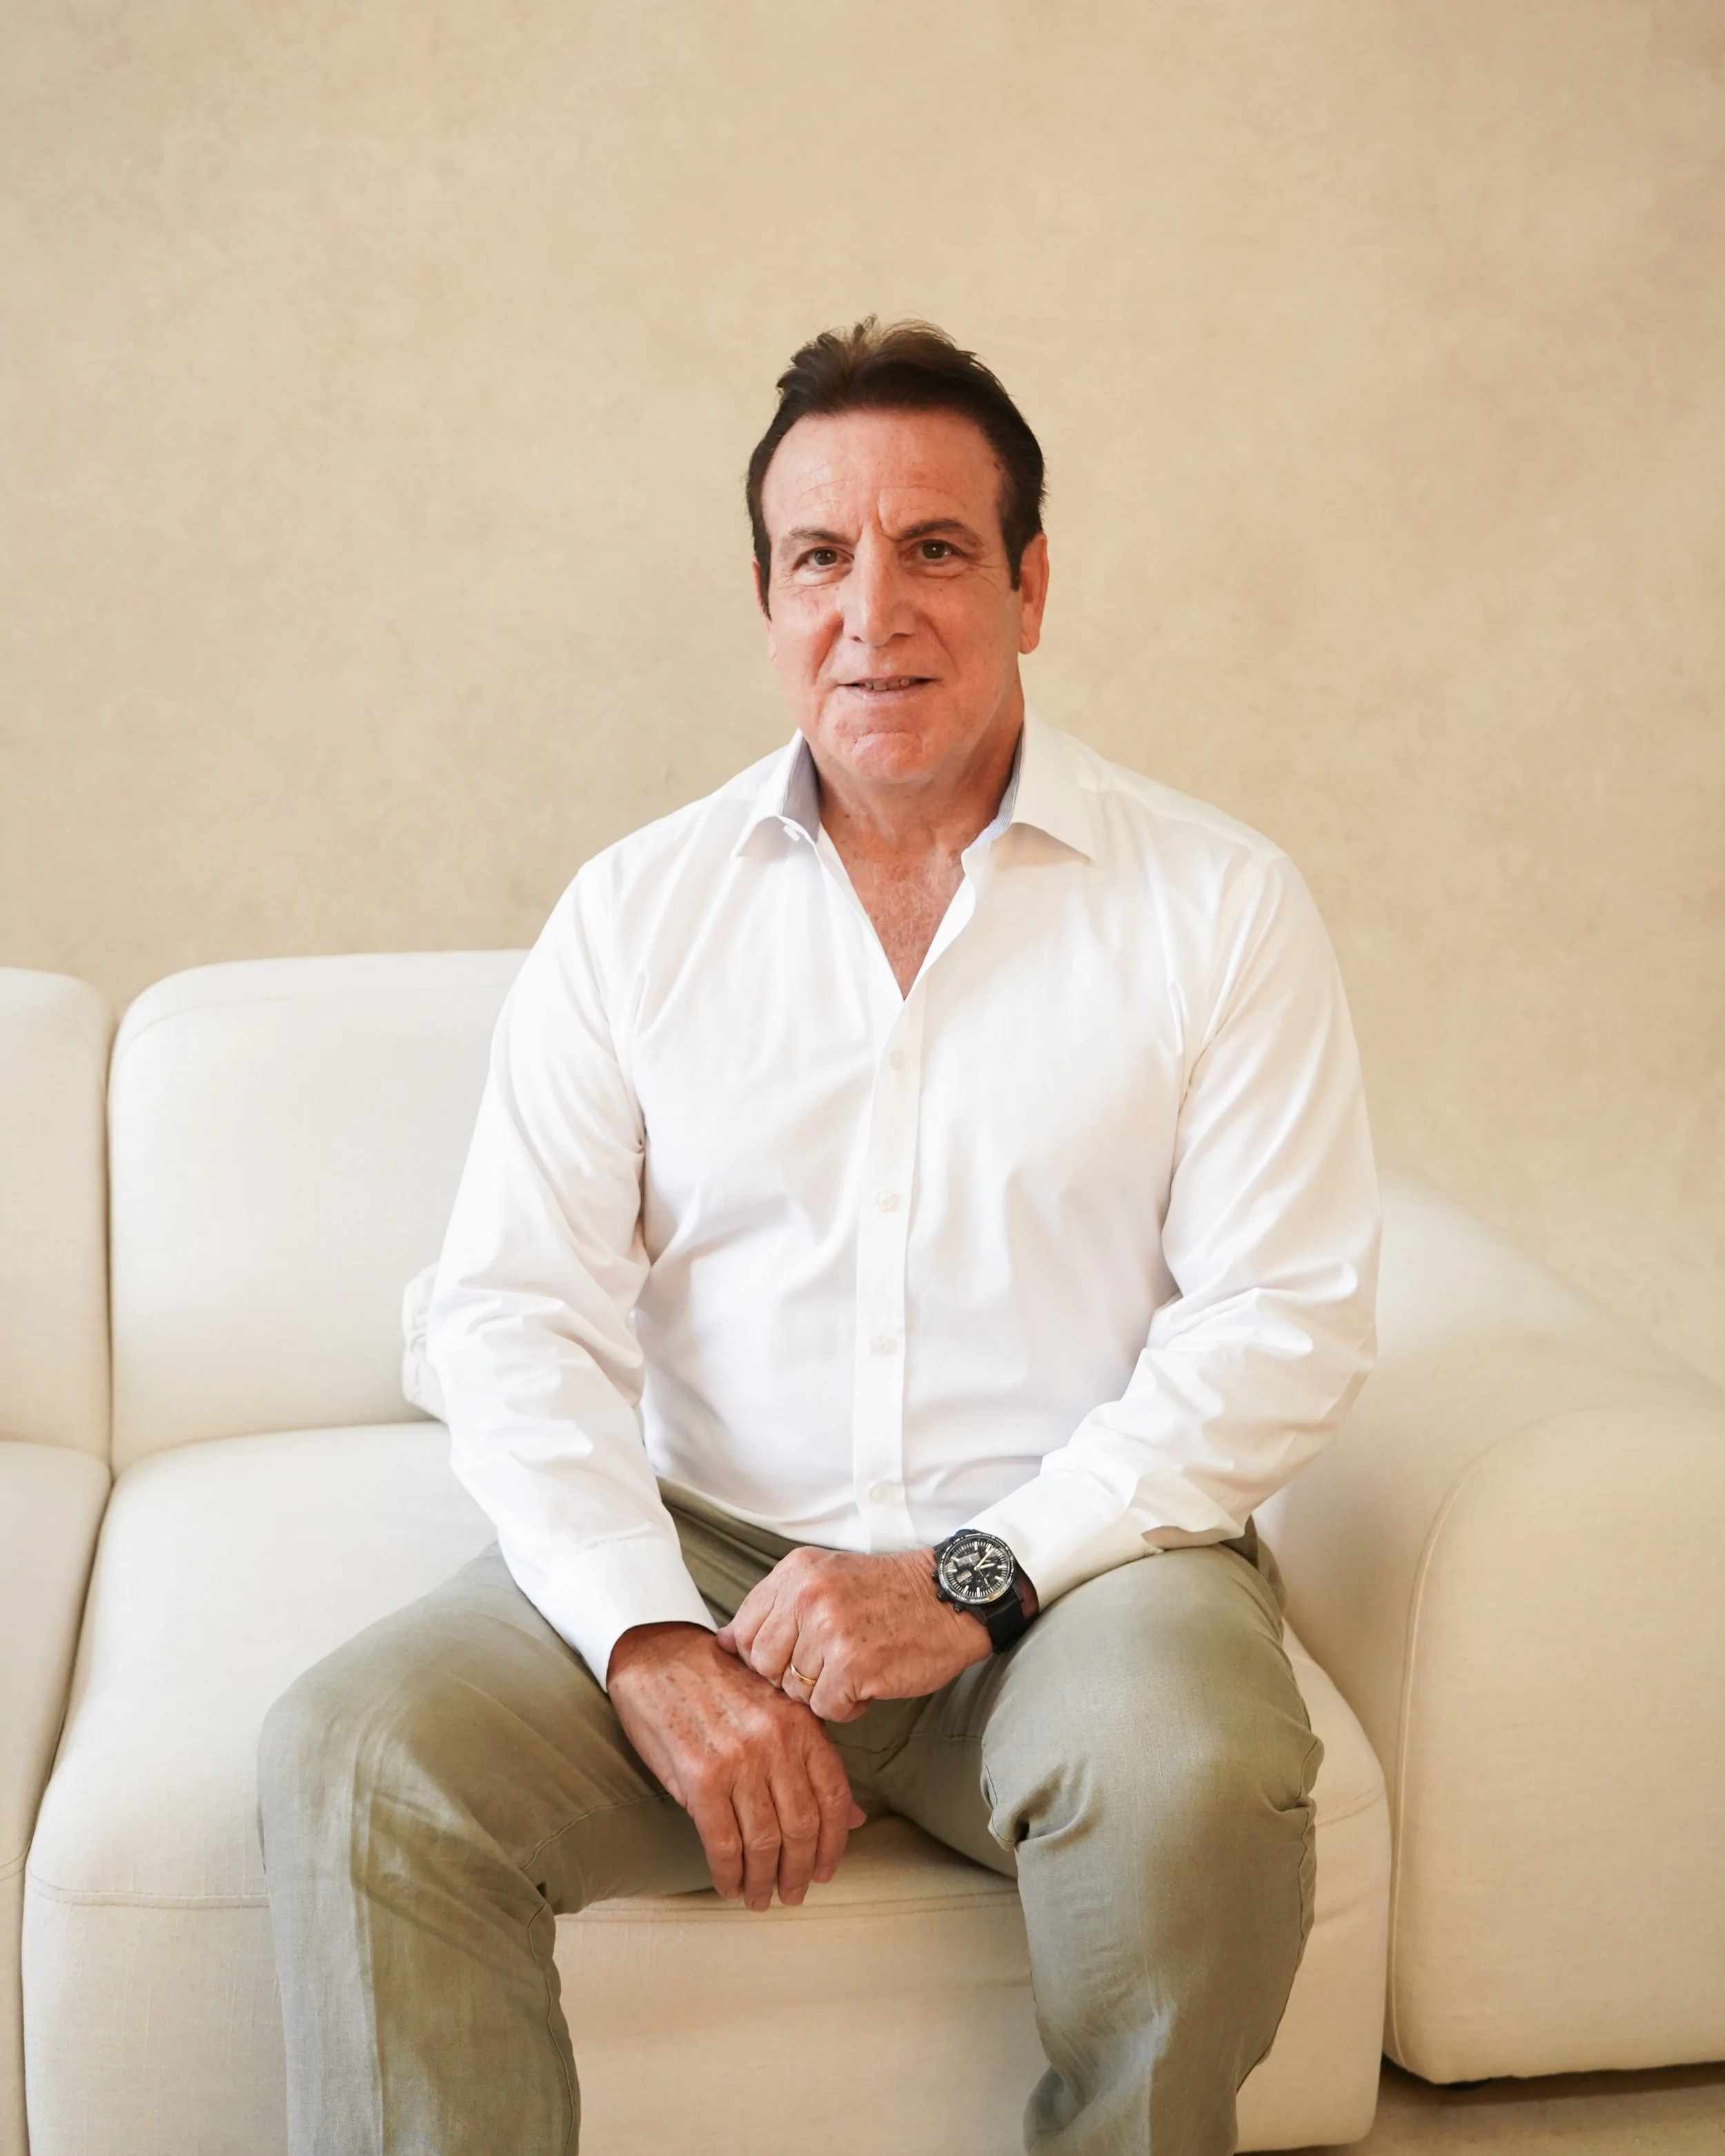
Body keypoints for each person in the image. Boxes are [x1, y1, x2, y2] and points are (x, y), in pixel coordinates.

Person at [258, 317, 1379, 2155]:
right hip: (711, 1557)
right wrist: (645, 1638)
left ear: (1027, 579)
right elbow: (508, 1311)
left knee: (1193, 1775)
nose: (876, 612)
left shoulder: (1220, 907)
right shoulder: (634, 914)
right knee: (356, 1755)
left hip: (1070, 1565)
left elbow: (1279, 1321)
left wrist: (968, 1579)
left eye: (935, 549)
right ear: (768, 602)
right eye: (818, 558)